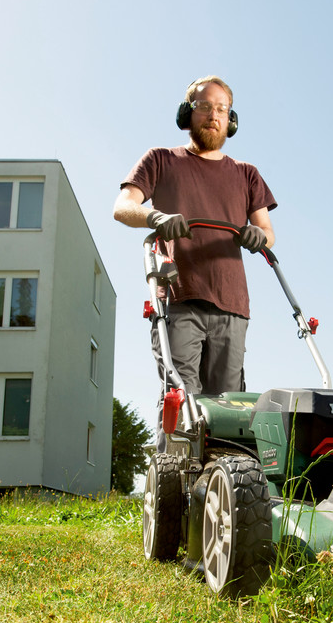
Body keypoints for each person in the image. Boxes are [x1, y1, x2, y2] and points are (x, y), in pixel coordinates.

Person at [114, 75, 277, 397]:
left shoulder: (247, 174)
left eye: (222, 109)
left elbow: (268, 233)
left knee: (230, 403)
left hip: (232, 304)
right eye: (204, 106)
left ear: (231, 120)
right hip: (177, 297)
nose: (213, 115)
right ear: (186, 113)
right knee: (180, 398)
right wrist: (155, 217)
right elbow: (122, 207)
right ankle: (173, 450)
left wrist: (259, 236)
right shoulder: (160, 159)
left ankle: (224, 451)